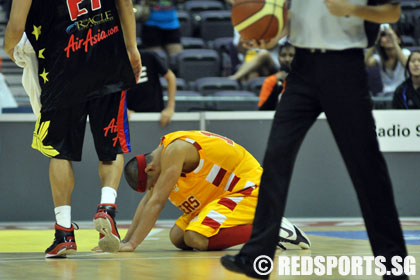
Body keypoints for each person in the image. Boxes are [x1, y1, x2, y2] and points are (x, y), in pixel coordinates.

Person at [221, 1, 409, 280]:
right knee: (275, 160)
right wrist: (270, 35)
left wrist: (352, 10)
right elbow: (289, 20)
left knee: (368, 170)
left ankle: (394, 266)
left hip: (346, 68)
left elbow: (392, 12)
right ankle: (256, 257)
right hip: (301, 70)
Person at [4, 0, 141, 257]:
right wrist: (131, 47)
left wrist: (13, 51)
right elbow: (125, 4)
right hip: (109, 60)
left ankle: (63, 232)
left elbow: (15, 27)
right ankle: (107, 208)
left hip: (60, 70)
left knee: (60, 153)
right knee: (111, 148)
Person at [118, 130, 311, 252]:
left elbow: (156, 202)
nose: (154, 189)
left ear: (149, 169)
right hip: (223, 195)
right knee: (178, 237)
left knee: (195, 237)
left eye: (151, 184)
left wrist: (133, 245)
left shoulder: (175, 150)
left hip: (248, 187)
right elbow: (147, 201)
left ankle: (271, 228)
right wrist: (125, 240)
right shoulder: (164, 155)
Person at [126, 50, 176, 127]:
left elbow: (171, 77)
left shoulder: (148, 56)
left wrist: (170, 108)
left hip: (156, 115)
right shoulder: (115, 62)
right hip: (131, 116)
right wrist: (122, 108)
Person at [365, 24, 410, 96]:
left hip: (403, 93)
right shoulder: (379, 58)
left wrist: (394, 40)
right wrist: (375, 40)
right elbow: (365, 62)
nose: (388, 38)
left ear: (399, 40)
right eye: (385, 36)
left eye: (390, 35)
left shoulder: (405, 53)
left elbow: (405, 64)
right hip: (386, 94)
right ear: (381, 42)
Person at [258, 42, 295, 110]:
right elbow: (262, 110)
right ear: (278, 58)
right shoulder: (271, 81)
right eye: (283, 55)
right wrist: (277, 87)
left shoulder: (303, 81)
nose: (287, 59)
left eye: (291, 55)